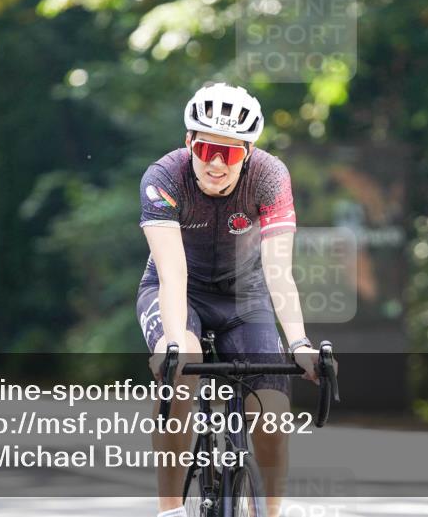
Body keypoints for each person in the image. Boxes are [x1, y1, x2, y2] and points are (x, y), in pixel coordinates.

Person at [137, 82, 319, 517]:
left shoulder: (270, 176)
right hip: (181, 291)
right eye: (206, 150)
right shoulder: (163, 177)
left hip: (245, 297)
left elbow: (278, 272)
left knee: (272, 413)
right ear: (189, 143)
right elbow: (173, 274)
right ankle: (170, 510)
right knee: (182, 367)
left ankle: (271, 512)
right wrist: (175, 342)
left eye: (231, 152)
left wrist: (298, 343)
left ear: (249, 152)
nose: (216, 163)